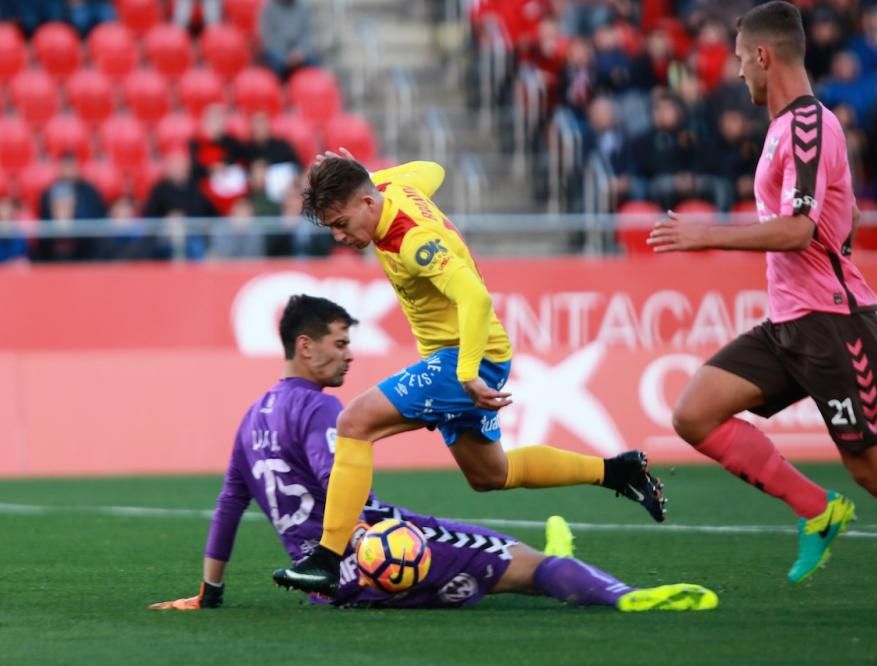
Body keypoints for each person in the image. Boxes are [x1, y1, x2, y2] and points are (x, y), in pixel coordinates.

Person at [646, 1, 877, 636]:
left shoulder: (808, 125)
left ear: (763, 56)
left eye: (739, 62)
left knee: (874, 468)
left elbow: (799, 228)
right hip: (790, 322)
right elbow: (842, 218)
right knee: (693, 412)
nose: (736, 77)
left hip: (833, 325)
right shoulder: (788, 129)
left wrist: (707, 234)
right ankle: (816, 510)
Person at [149, 295, 716, 613]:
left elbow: (228, 506)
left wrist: (210, 593)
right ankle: (630, 598)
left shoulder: (252, 418)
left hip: (331, 591)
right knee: (533, 568)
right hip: (378, 555)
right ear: (306, 346)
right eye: (340, 344)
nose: (349, 357)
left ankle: (572, 531)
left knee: (501, 518)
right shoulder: (326, 413)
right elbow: (349, 493)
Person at [272, 152, 666, 597]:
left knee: (353, 424)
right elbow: (433, 170)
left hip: (465, 358)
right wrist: (360, 175)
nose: (340, 236)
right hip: (474, 355)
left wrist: (465, 374)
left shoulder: (411, 241)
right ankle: (616, 471)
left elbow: (475, 299)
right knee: (489, 474)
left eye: (342, 223)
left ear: (366, 203)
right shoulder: (395, 191)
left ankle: (328, 557)